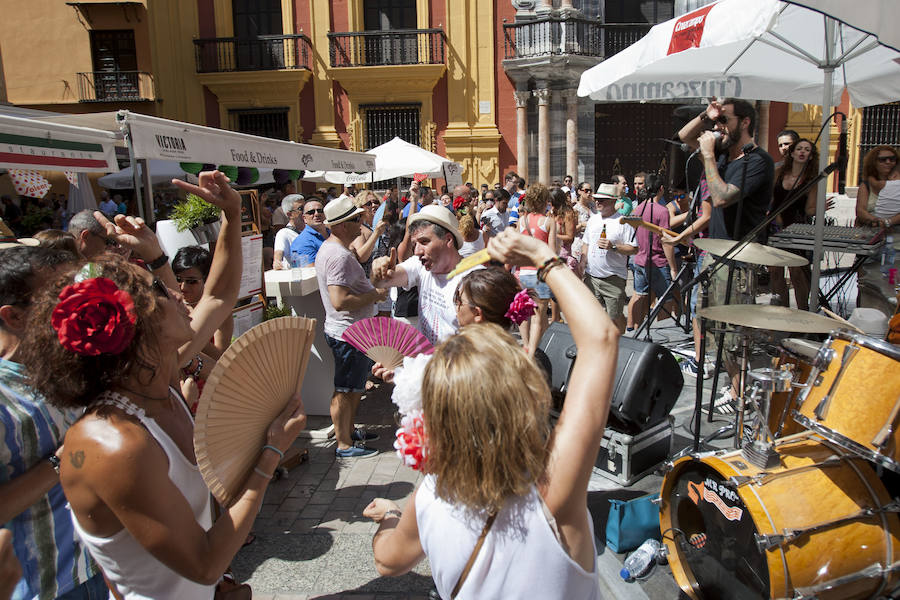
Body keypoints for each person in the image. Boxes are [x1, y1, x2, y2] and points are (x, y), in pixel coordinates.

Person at [17, 171, 308, 600]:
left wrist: (231, 215)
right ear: (139, 329)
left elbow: (219, 295)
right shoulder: (113, 442)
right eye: (159, 288)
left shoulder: (157, 378)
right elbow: (204, 562)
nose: (177, 293)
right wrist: (270, 454)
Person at [364, 229, 616, 600]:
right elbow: (601, 340)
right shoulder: (554, 494)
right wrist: (541, 254)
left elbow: (387, 561)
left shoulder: (432, 495)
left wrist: (390, 517)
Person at [0, 245, 106, 600]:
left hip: (95, 569)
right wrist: (65, 457)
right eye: (56, 300)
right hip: (42, 589)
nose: (71, 307)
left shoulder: (66, 363)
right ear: (13, 317)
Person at [677, 96, 775, 409]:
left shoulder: (757, 161)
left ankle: (741, 394)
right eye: (718, 122)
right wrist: (707, 115)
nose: (719, 128)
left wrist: (707, 154)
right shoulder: (723, 151)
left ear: (745, 122)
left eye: (725, 121)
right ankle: (735, 390)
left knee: (733, 334)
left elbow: (720, 197)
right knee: (714, 328)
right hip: (713, 253)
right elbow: (684, 137)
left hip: (737, 257)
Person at [316, 196, 388, 459]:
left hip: (350, 331)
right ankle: (344, 443)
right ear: (342, 225)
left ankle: (347, 431)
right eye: (356, 219)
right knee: (346, 390)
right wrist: (375, 295)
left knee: (352, 388)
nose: (362, 223)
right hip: (347, 333)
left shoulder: (335, 250)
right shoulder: (338, 255)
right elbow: (339, 300)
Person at [371, 205, 477, 347]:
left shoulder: (473, 279)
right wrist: (378, 270)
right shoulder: (420, 265)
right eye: (415, 244)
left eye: (425, 242)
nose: (417, 251)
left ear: (448, 240)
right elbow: (383, 281)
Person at [768, 138, 819, 310]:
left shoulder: (811, 179)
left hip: (797, 230)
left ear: (811, 156)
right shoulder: (778, 173)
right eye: (799, 148)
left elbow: (810, 209)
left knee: (797, 273)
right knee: (775, 272)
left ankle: (802, 312)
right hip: (775, 227)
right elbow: (770, 198)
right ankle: (781, 310)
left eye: (807, 149)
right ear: (792, 153)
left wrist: (820, 208)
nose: (803, 152)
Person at [581, 183, 637, 333]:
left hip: (613, 278)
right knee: (591, 315)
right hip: (592, 276)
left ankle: (621, 341)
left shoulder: (623, 222)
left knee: (614, 316)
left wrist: (614, 247)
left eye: (602, 200)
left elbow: (634, 248)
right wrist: (582, 263)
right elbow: (586, 243)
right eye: (597, 199)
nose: (598, 202)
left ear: (614, 202)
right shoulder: (593, 220)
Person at [626, 174, 678, 332]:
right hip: (658, 262)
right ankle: (662, 331)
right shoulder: (662, 211)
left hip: (640, 259)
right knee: (665, 300)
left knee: (639, 295)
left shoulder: (638, 208)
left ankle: (633, 328)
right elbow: (666, 241)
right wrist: (673, 268)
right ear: (661, 189)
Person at [172, 245, 234, 360]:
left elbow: (221, 358)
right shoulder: (171, 305)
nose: (183, 286)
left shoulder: (219, 310)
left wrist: (190, 335)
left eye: (191, 281)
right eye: (178, 279)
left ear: (206, 280)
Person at [517, 183, 557, 355]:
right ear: (544, 200)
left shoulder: (521, 220)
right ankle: (534, 352)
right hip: (540, 272)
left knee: (524, 313)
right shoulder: (548, 221)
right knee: (538, 316)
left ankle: (526, 345)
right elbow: (552, 252)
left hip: (523, 271)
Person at [349, 190, 387, 278]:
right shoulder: (360, 229)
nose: (374, 205)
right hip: (368, 280)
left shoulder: (382, 225)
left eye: (376, 202)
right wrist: (376, 234)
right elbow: (361, 257)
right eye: (369, 204)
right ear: (360, 207)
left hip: (384, 277)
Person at [289, 197, 329, 264]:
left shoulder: (334, 233)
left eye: (320, 211)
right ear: (304, 218)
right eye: (311, 212)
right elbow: (310, 270)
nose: (317, 214)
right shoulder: (302, 242)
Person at [272, 194, 305, 270]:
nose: (305, 211)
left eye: (305, 207)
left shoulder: (312, 229)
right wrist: (277, 262)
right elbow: (278, 256)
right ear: (290, 214)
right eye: (301, 208)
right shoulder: (284, 233)